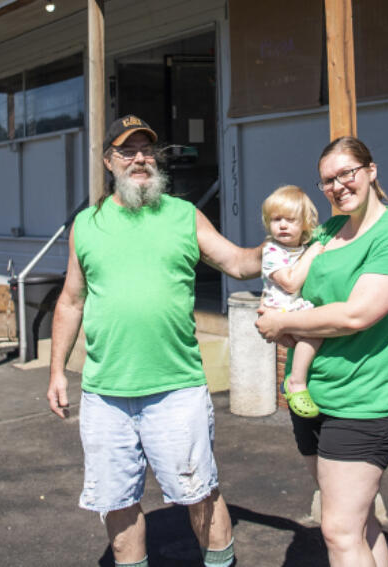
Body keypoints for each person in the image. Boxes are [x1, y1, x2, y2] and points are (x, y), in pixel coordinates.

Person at [47, 115, 262, 567]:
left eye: (147, 150)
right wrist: (56, 373)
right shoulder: (86, 225)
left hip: (176, 388)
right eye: (127, 151)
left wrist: (287, 243)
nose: (140, 158)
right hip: (106, 393)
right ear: (109, 161)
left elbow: (240, 264)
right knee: (118, 502)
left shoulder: (183, 216)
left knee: (199, 494)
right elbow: (70, 301)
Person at [255, 137, 388, 567]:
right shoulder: (328, 231)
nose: (337, 186)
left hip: (364, 399)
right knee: (360, 521)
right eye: (328, 180)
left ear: (371, 171)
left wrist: (283, 323)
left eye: (347, 173)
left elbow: (354, 316)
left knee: (338, 530)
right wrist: (279, 320)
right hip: (313, 395)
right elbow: (298, 293)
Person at [258, 184, 325, 418]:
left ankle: (296, 377)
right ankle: (296, 382)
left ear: (305, 224)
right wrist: (313, 253)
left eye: (291, 220)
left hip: (292, 306)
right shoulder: (272, 251)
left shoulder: (301, 247)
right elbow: (290, 283)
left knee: (310, 338)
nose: (283, 225)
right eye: (276, 219)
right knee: (313, 333)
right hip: (282, 308)